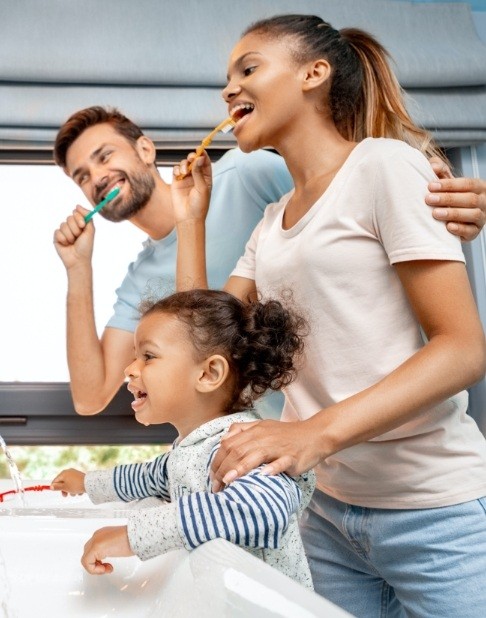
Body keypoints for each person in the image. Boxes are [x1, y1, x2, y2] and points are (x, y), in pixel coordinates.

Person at [171, 15, 486, 617]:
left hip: (434, 511)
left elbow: (462, 349)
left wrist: (311, 433)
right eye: (227, 79)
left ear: (314, 74)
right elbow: (202, 348)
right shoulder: (273, 222)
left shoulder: (384, 167)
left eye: (249, 69)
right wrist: (191, 220)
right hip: (325, 513)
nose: (228, 90)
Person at [52, 106, 486, 419]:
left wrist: (418, 188)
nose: (97, 177)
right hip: (284, 448)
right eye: (82, 176)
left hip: (378, 418)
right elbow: (90, 398)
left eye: (104, 156)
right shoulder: (139, 280)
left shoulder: (247, 173)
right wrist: (77, 269)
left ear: (145, 149)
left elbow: (347, 193)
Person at [51, 288, 315, 585]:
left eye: (148, 356)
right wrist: (87, 483)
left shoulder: (243, 448)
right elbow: (147, 477)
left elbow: (260, 510)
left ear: (208, 374)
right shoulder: (193, 448)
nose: (130, 369)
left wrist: (132, 536)